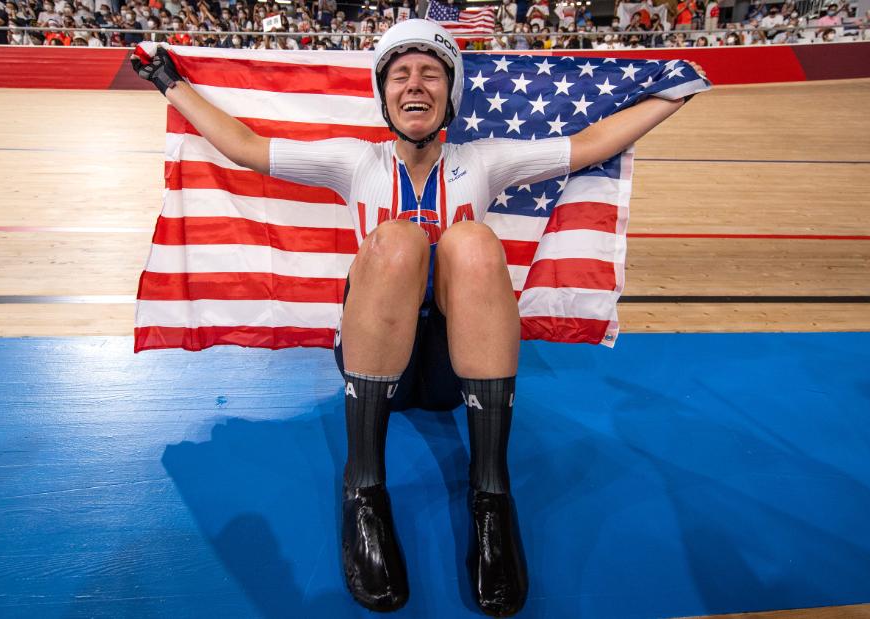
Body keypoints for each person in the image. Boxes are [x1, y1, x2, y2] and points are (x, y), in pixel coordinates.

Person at [130, 19, 705, 616]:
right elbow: (246, 147)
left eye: (430, 73)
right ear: (384, 96)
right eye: (401, 73)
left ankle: (491, 499)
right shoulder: (354, 162)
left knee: (474, 241)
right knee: (398, 241)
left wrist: (673, 94)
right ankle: (364, 491)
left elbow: (591, 145)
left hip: (455, 371)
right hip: (379, 363)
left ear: (449, 94)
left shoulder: (484, 161)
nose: (415, 83)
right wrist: (172, 84)